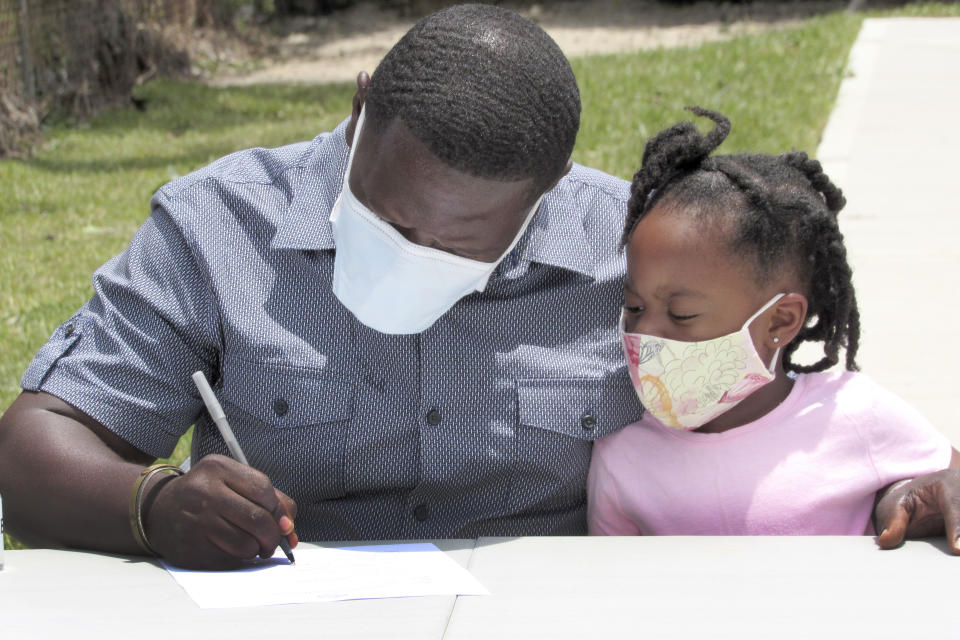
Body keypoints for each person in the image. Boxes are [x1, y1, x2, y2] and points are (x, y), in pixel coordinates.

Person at [0, 6, 955, 570]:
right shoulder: (217, 225)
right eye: (384, 217)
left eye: (457, 244)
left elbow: (782, 430)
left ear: (549, 194)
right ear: (361, 104)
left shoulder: (630, 254)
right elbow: (37, 447)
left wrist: (916, 488)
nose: (412, 249)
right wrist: (153, 505)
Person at [587, 107, 960, 539]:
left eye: (681, 314)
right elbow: (610, 584)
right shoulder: (622, 451)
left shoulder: (855, 414)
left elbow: (947, 489)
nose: (645, 334)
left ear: (780, 321)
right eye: (634, 307)